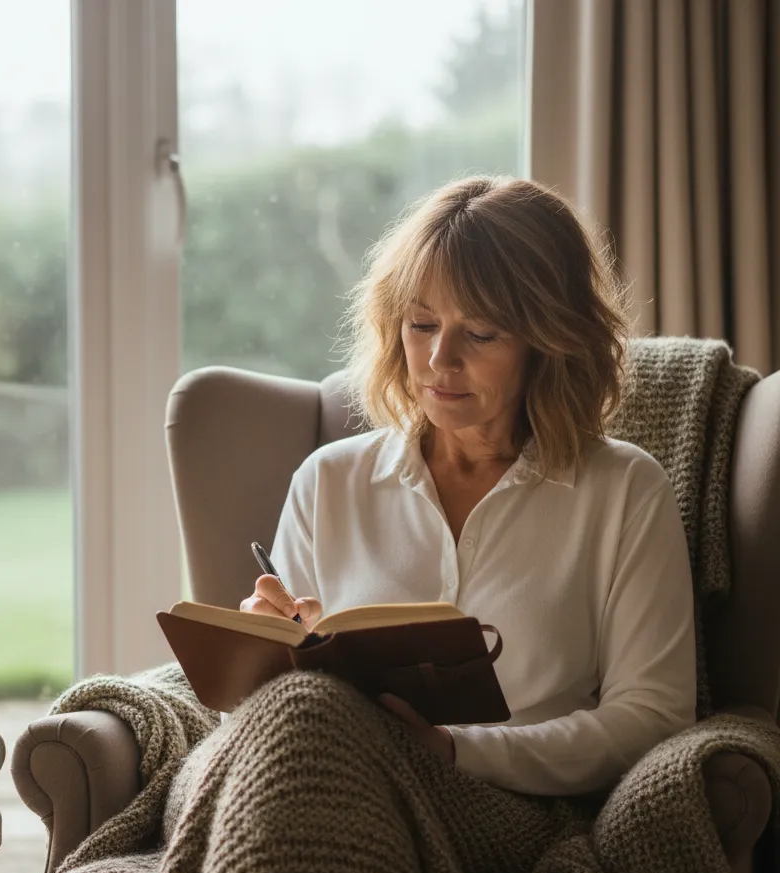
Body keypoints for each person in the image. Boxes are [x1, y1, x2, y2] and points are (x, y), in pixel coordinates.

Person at [239, 174, 696, 796]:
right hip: (338, 789)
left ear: (550, 342)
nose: (439, 360)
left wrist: (458, 753)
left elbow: (653, 718)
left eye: (480, 334)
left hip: (515, 812)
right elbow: (263, 726)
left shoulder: (625, 491)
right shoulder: (329, 480)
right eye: (422, 325)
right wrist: (262, 661)